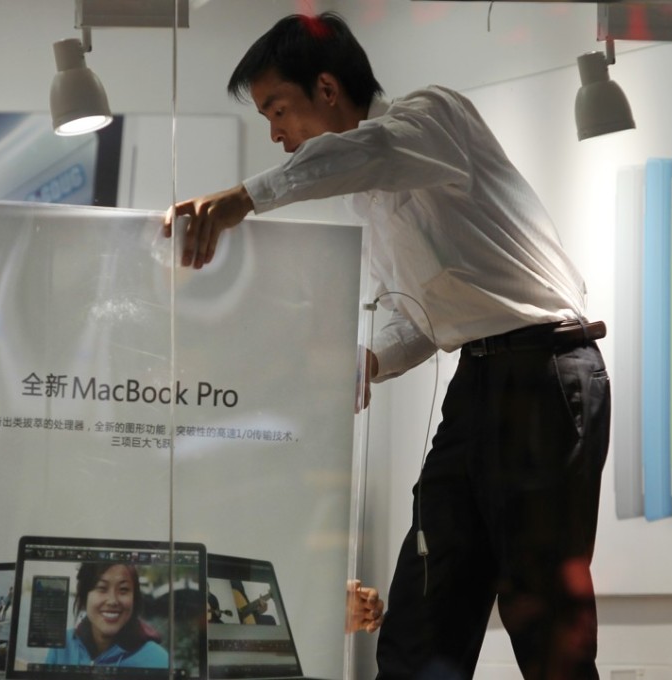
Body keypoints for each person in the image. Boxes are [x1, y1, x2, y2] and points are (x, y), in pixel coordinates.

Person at [163, 11, 610, 680]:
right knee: (420, 621)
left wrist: (242, 200)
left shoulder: (431, 119)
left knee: (543, 622)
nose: (276, 133)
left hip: (545, 372)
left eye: (277, 109)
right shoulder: (365, 202)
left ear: (327, 87)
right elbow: (422, 319)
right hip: (478, 382)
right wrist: (369, 359)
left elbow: (367, 152)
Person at [45, 562, 169, 668]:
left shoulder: (158, 660)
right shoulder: (62, 646)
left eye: (123, 589)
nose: (112, 601)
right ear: (84, 597)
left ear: (134, 599)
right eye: (102, 588)